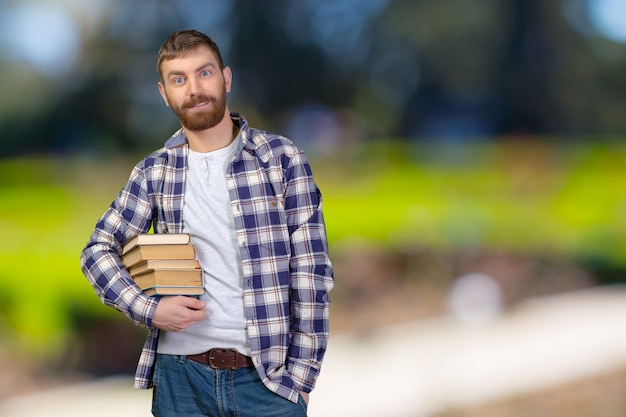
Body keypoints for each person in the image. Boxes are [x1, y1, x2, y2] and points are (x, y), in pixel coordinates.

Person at [80, 29, 334, 416]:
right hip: (181, 380)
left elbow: (312, 270)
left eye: (205, 73)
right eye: (178, 79)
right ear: (165, 94)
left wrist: (300, 378)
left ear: (226, 78)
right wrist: (148, 309)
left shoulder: (281, 158)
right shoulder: (154, 172)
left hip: (268, 380)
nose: (194, 89)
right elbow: (97, 252)